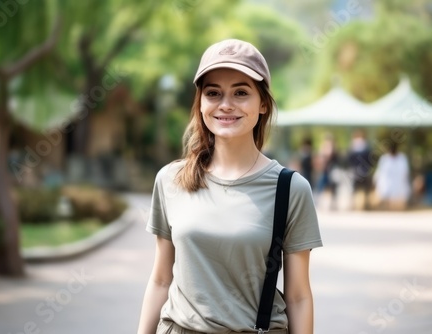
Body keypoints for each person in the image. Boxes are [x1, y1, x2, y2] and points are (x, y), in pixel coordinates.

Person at [137, 39, 323, 334]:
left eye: (240, 92)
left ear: (262, 103)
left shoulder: (290, 189)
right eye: (213, 93)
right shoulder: (171, 180)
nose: (225, 104)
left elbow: (299, 296)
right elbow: (160, 279)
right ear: (200, 103)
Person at [373, 141, 411, 210]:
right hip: (387, 182)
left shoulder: (402, 158)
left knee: (399, 198)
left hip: (398, 183)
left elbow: (405, 171)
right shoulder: (384, 158)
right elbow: (380, 171)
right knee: (386, 195)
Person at [347, 130, 372, 210]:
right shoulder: (366, 147)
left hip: (355, 171)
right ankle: (365, 205)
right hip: (364, 170)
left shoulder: (353, 147)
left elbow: (349, 159)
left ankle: (353, 205)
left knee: (355, 189)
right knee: (364, 189)